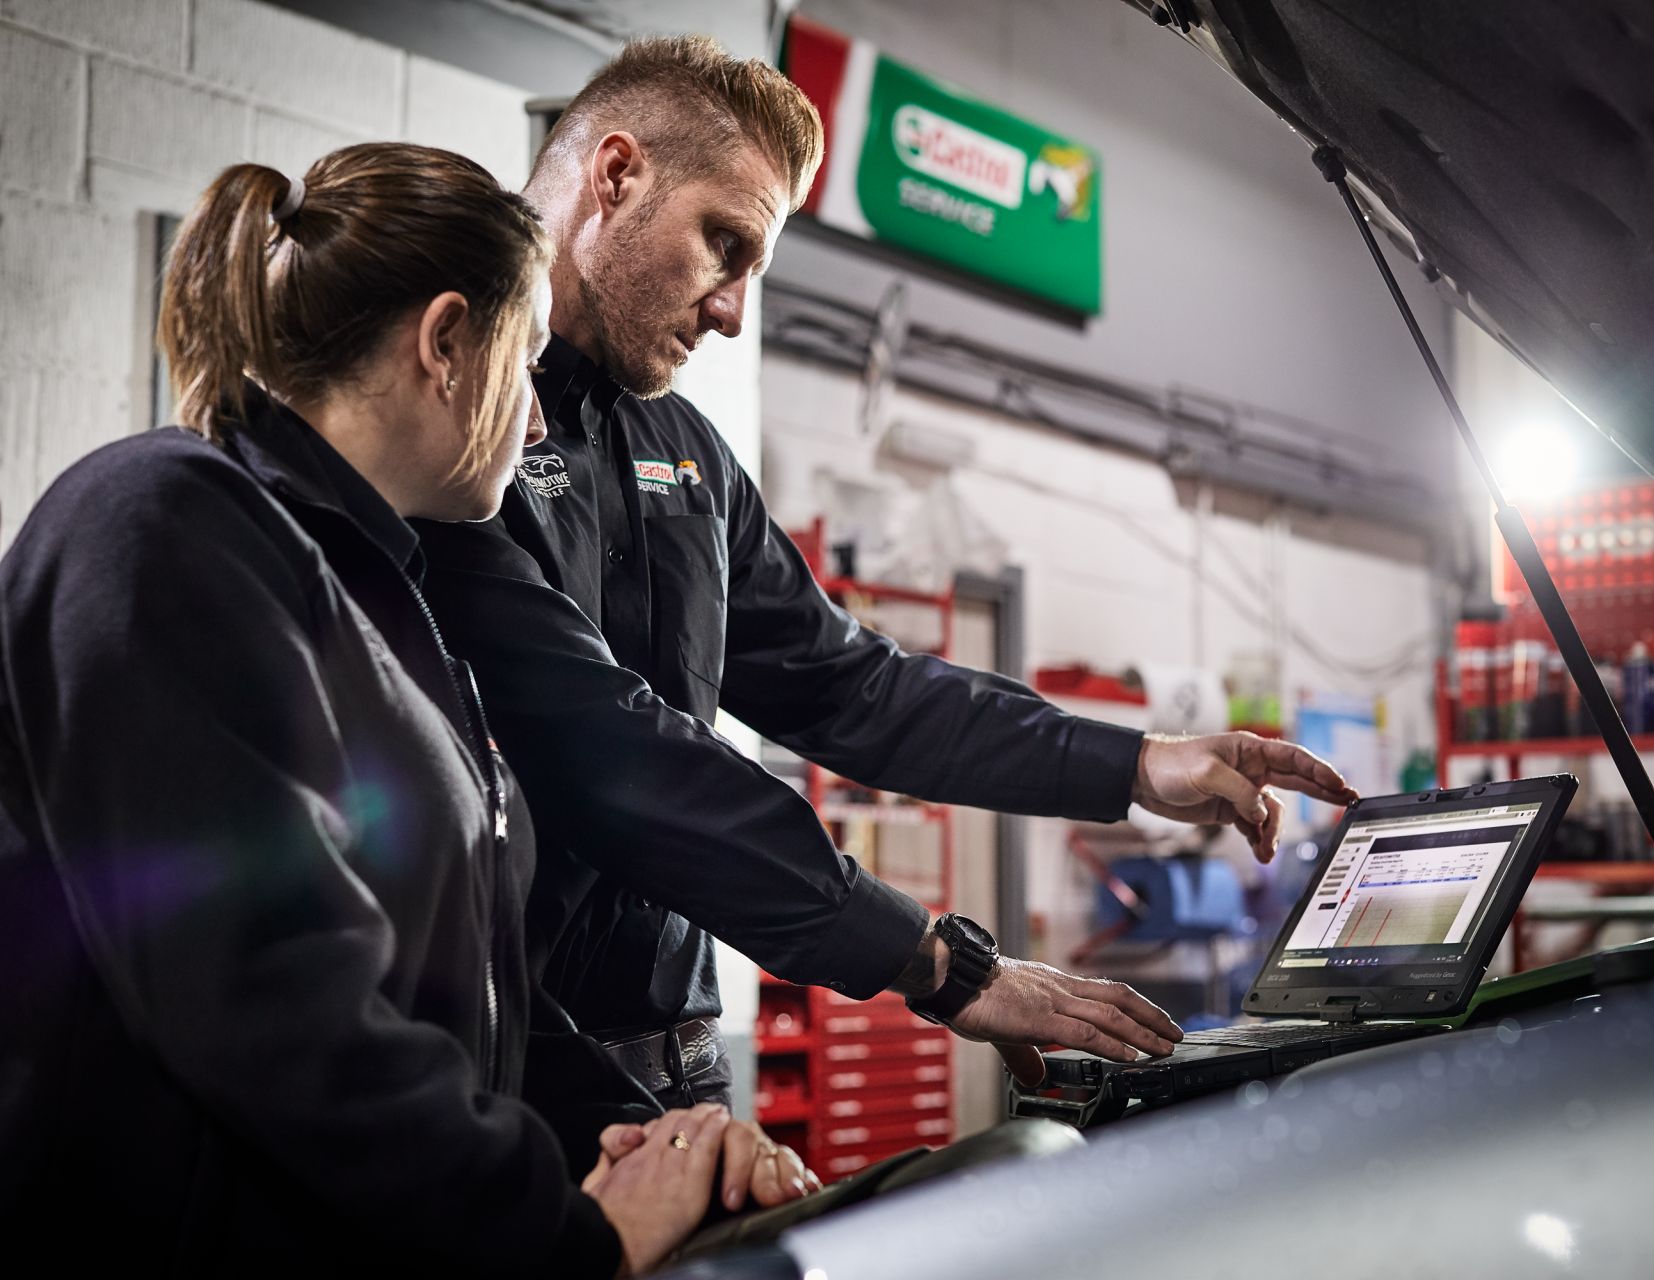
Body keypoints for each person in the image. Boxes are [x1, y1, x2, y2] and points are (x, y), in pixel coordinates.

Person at [412, 36, 1359, 1155]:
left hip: (683, 1056)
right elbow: (624, 764)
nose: (732, 313)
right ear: (615, 174)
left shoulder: (688, 456)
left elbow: (856, 687)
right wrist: (942, 962)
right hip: (505, 1064)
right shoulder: (445, 426)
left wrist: (1138, 763)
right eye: (726, 245)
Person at [0, 144, 764, 1276]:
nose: (541, 426)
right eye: (527, 362)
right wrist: (564, 1235)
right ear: (447, 342)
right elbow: (271, 1000)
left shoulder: (382, 599)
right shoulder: (160, 526)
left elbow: (454, 989)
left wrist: (652, 1130)